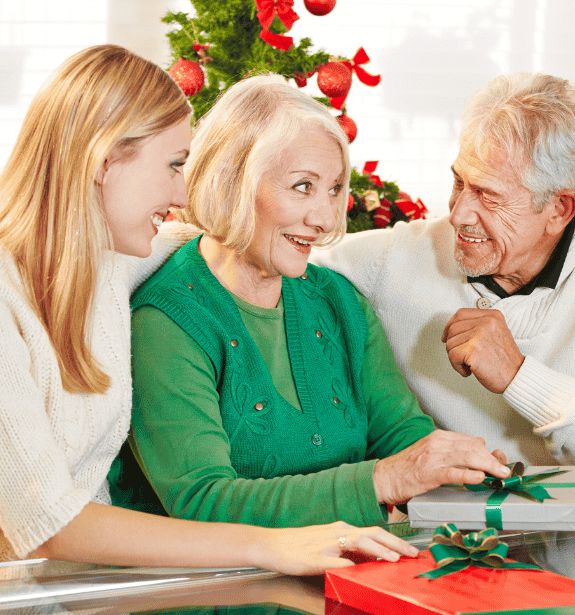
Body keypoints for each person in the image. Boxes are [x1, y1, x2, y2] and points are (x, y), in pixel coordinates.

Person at [0, 45, 417, 573]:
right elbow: (48, 524)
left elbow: (209, 238)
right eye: (174, 165)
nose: (182, 190)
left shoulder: (110, 257)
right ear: (106, 161)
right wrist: (268, 547)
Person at [112, 74, 512, 530]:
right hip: (221, 593)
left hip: (351, 572)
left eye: (335, 188)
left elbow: (401, 431)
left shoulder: (338, 300)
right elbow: (203, 503)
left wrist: (453, 468)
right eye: (303, 186)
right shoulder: (167, 322)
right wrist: (381, 481)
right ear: (232, 180)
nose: (323, 218)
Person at [312, 73, 575, 466]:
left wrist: (518, 376)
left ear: (559, 209)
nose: (459, 213)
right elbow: (281, 259)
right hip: (445, 522)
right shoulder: (397, 256)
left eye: (487, 195)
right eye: (459, 182)